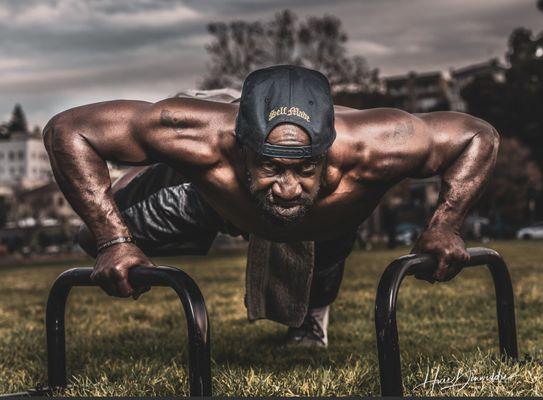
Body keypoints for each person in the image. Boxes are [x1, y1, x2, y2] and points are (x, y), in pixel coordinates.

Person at [43, 65, 499, 347]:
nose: (285, 187)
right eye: (270, 167)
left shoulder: (379, 143)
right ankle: (181, 167)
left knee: (323, 221)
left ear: (328, 151)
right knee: (91, 238)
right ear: (243, 150)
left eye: (303, 169)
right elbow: (68, 129)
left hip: (328, 218)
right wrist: (113, 240)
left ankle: (310, 323)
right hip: (212, 195)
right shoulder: (197, 133)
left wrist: (446, 225)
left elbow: (477, 134)